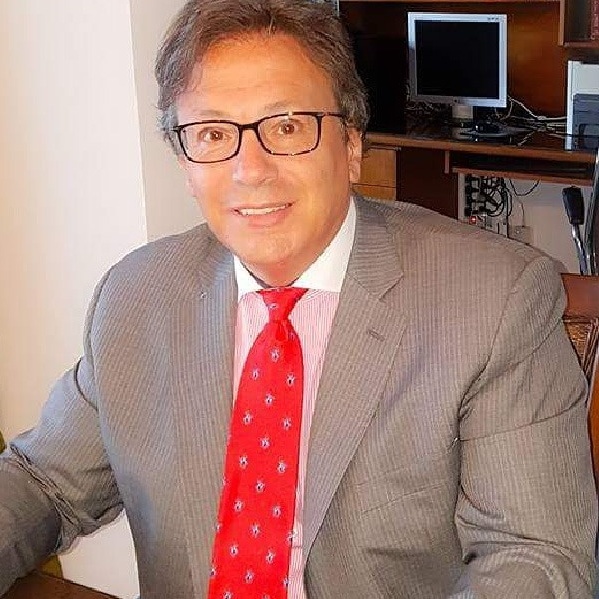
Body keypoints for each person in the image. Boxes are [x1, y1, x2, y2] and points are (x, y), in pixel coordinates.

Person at [0, 0, 596, 597]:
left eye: (287, 126)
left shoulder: (494, 301)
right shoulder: (137, 298)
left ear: (352, 144)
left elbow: (534, 557)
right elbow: (43, 483)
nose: (250, 170)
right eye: (213, 134)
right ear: (184, 162)